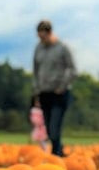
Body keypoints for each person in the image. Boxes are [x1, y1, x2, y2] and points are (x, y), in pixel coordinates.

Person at [32, 20, 76, 157]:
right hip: (44, 94)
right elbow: (35, 71)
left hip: (59, 94)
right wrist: (37, 92)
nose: (42, 40)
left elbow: (72, 69)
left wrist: (62, 86)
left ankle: (56, 156)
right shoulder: (38, 49)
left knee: (54, 128)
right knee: (50, 132)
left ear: (50, 33)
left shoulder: (62, 48)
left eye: (43, 36)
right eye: (39, 37)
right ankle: (59, 152)